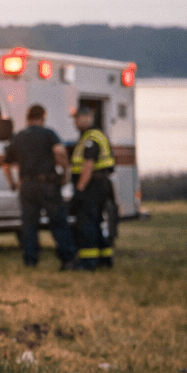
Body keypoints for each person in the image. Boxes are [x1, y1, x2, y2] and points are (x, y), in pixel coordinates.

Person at [1, 104, 74, 269]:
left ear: (27, 118)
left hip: (26, 185)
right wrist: (65, 173)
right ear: (43, 116)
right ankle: (67, 258)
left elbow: (6, 165)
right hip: (47, 184)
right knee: (58, 222)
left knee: (29, 225)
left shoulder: (18, 137)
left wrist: (13, 183)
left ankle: (30, 260)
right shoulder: (48, 134)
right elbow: (60, 153)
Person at [69, 106, 117, 270]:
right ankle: (105, 259)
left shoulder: (91, 139)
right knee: (97, 222)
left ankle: (88, 262)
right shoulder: (94, 135)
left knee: (87, 223)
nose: (76, 122)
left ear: (87, 118)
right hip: (101, 184)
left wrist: (80, 189)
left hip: (93, 186)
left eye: (78, 118)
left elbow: (88, 165)